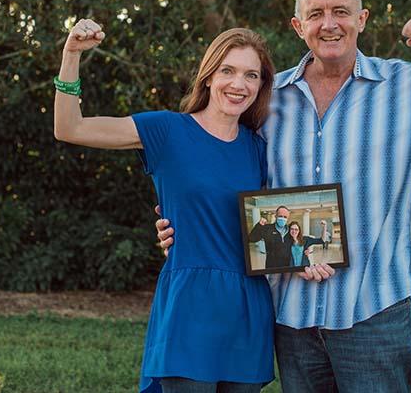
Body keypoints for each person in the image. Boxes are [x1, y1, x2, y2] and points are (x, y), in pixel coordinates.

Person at [156, 0, 411, 393]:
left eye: (341, 11)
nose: (329, 24)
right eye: (317, 13)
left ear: (361, 20)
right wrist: (183, 221)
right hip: (291, 314)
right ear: (298, 26)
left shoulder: (405, 87)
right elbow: (225, 172)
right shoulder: (268, 99)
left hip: (373, 311)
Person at [54, 22, 276, 393]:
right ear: (208, 76)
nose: (239, 84)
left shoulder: (260, 149)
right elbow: (70, 127)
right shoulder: (166, 131)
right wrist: (71, 54)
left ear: (260, 86)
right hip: (189, 305)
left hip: (248, 308)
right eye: (228, 70)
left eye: (251, 75)